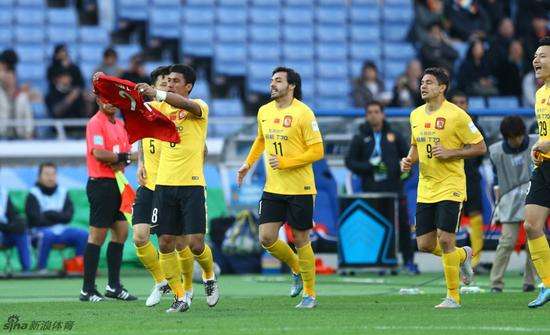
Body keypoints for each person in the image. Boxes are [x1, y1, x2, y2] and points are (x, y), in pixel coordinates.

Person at [236, 67, 324, 308]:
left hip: (301, 188)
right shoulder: (264, 111)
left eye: (278, 80)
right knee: (266, 237)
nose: (272, 84)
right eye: (271, 80)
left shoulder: (304, 113)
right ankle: (296, 267)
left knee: (301, 238)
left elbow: (318, 151)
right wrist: (248, 164)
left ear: (291, 85)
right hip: (274, 187)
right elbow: (261, 139)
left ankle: (309, 294)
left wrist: (287, 162)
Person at [400, 67, 487, 308]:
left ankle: (453, 296)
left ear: (442, 88)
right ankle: (463, 255)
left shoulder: (457, 115)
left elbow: (480, 147)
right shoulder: (415, 115)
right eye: (421, 82)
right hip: (425, 186)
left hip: (451, 185)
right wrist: (409, 160)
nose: (423, 86)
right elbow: (416, 147)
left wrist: (452, 152)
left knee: (446, 239)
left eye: (429, 82)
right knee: (425, 244)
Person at [135, 64, 219, 313]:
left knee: (194, 243)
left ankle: (208, 275)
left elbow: (186, 105)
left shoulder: (199, 107)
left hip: (192, 185)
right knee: (165, 242)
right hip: (163, 185)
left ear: (188, 86)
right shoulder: (158, 109)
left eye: (174, 81)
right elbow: (137, 118)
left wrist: (157, 93)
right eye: (167, 81)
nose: (169, 84)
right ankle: (180, 297)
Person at [133, 65, 195, 308]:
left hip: (171, 184)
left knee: (179, 243)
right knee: (139, 237)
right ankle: (161, 281)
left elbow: (198, 146)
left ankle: (187, 289)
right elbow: (142, 138)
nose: (167, 86)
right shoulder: (147, 111)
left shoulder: (177, 113)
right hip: (149, 185)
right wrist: (140, 162)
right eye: (162, 83)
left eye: (170, 83)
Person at [344, 101, 418, 274]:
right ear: (366, 115)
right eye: (369, 112)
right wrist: (370, 166)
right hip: (371, 191)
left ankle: (408, 262)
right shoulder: (360, 137)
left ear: (383, 114)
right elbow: (349, 162)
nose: (373, 115)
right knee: (374, 227)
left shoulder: (394, 135)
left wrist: (405, 171)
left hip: (394, 190)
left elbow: (408, 159)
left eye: (376, 111)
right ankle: (379, 262)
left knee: (402, 227)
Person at [80, 95, 137, 302]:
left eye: (112, 99)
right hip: (100, 184)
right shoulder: (95, 123)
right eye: (105, 98)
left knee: (121, 232)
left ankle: (113, 286)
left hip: (118, 183)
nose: (110, 102)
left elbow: (131, 155)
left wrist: (120, 159)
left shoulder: (120, 124)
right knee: (97, 236)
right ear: (97, 100)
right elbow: (99, 153)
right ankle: (87, 289)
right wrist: (121, 158)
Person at [489, 116, 537, 293]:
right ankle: (496, 283)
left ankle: (530, 281)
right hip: (509, 199)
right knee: (507, 241)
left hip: (533, 196)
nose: (515, 140)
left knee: (533, 241)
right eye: (511, 137)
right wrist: (497, 207)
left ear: (523, 133)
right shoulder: (496, 152)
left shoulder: (536, 143)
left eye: (518, 136)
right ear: (505, 137)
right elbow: (495, 181)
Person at [522, 36, 550, 308]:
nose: (536, 60)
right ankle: (548, 284)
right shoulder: (541, 93)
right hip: (545, 166)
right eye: (534, 56)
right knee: (531, 224)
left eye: (542, 55)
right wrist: (539, 147)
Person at [25, 162, 88, 272]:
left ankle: (77, 268)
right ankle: (41, 269)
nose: (50, 177)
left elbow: (68, 216)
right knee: (46, 235)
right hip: (38, 232)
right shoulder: (33, 194)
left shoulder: (63, 192)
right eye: (47, 174)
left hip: (61, 230)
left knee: (83, 235)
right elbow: (35, 219)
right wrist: (58, 216)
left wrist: (49, 214)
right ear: (39, 176)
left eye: (53, 174)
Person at [449, 90, 486, 271]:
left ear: (467, 105)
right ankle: (455, 258)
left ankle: (475, 260)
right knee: (452, 220)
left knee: (475, 216)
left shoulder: (475, 127)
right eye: (457, 103)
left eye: (463, 102)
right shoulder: (445, 126)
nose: (460, 106)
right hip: (451, 178)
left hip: (470, 178)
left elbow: (480, 153)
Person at [0, 185, 32, 272]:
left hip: (3, 232)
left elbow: (11, 214)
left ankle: (27, 271)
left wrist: (17, 222)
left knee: (20, 231)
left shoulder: (2, 193)